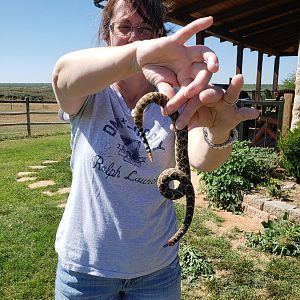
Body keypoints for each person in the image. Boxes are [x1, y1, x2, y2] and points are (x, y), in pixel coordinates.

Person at [52, 0, 259, 299]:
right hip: (85, 271)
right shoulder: (90, 92)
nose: (135, 36)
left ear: (159, 34)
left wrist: (219, 128)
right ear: (107, 33)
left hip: (156, 271)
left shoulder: (177, 99)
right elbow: (62, 76)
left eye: (146, 28)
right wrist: (138, 55)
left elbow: (203, 160)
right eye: (124, 27)